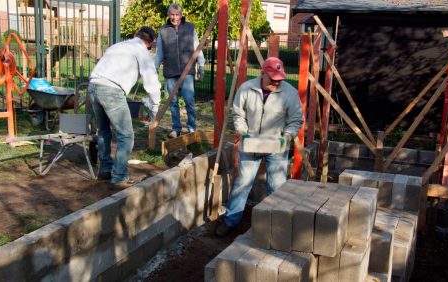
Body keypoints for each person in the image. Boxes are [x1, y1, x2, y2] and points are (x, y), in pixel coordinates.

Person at [216, 57, 304, 237]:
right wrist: (242, 130)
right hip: (251, 144)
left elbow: (296, 120)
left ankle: (278, 225)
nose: (276, 83)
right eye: (272, 79)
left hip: (276, 145)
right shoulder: (246, 89)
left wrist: (287, 136)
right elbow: (238, 114)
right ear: (262, 73)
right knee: (243, 183)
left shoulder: (290, 93)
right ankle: (231, 221)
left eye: (279, 80)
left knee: (277, 186)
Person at [88, 26, 161, 189]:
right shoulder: (141, 51)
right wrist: (154, 107)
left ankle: (105, 169)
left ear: (136, 35)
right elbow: (151, 80)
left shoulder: (118, 46)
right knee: (126, 136)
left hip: (93, 86)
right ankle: (119, 177)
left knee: (104, 130)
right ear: (150, 43)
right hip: (111, 90)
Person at [155, 3, 205, 138]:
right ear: (168, 15)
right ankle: (176, 128)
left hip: (187, 70)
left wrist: (201, 65)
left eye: (177, 14)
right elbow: (159, 51)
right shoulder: (163, 30)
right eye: (172, 14)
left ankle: (191, 128)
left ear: (181, 15)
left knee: (189, 100)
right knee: (173, 102)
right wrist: (155, 68)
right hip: (170, 71)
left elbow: (197, 47)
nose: (175, 17)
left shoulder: (190, 28)